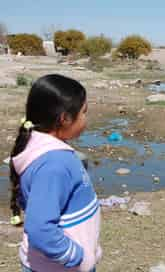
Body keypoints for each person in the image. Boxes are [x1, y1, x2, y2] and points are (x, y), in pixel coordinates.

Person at [9, 74, 101, 271]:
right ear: (64, 118)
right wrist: (77, 256)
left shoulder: (41, 147)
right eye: (84, 112)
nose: (86, 119)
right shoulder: (54, 164)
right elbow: (40, 229)